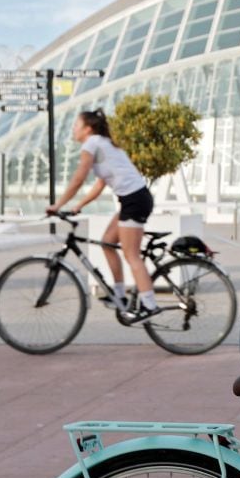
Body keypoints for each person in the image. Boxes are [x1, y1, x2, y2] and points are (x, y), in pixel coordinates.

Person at [46, 109, 160, 322]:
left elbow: (79, 178)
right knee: (107, 243)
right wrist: (79, 205)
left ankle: (149, 305)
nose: (73, 129)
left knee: (131, 255)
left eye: (76, 125)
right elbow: (100, 184)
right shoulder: (103, 143)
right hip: (133, 199)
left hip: (135, 200)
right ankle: (118, 296)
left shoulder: (91, 144)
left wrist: (58, 204)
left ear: (87, 129)